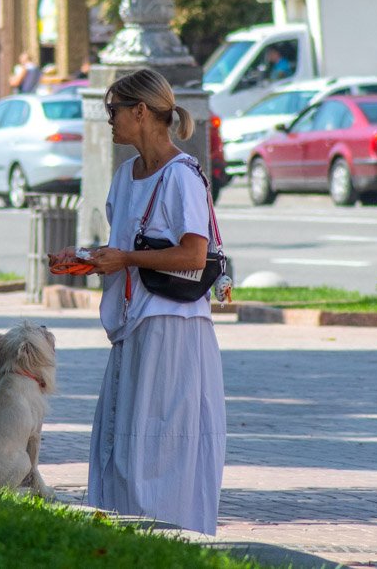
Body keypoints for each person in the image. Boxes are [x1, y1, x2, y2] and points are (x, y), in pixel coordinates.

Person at [50, 68, 226, 535]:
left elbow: (194, 253)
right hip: (133, 324)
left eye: (114, 111)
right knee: (124, 441)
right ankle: (129, 535)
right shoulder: (127, 175)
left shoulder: (181, 176)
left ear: (141, 112)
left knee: (163, 442)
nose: (109, 121)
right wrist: (86, 260)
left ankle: (173, 536)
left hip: (173, 325)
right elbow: (125, 247)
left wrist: (125, 256)